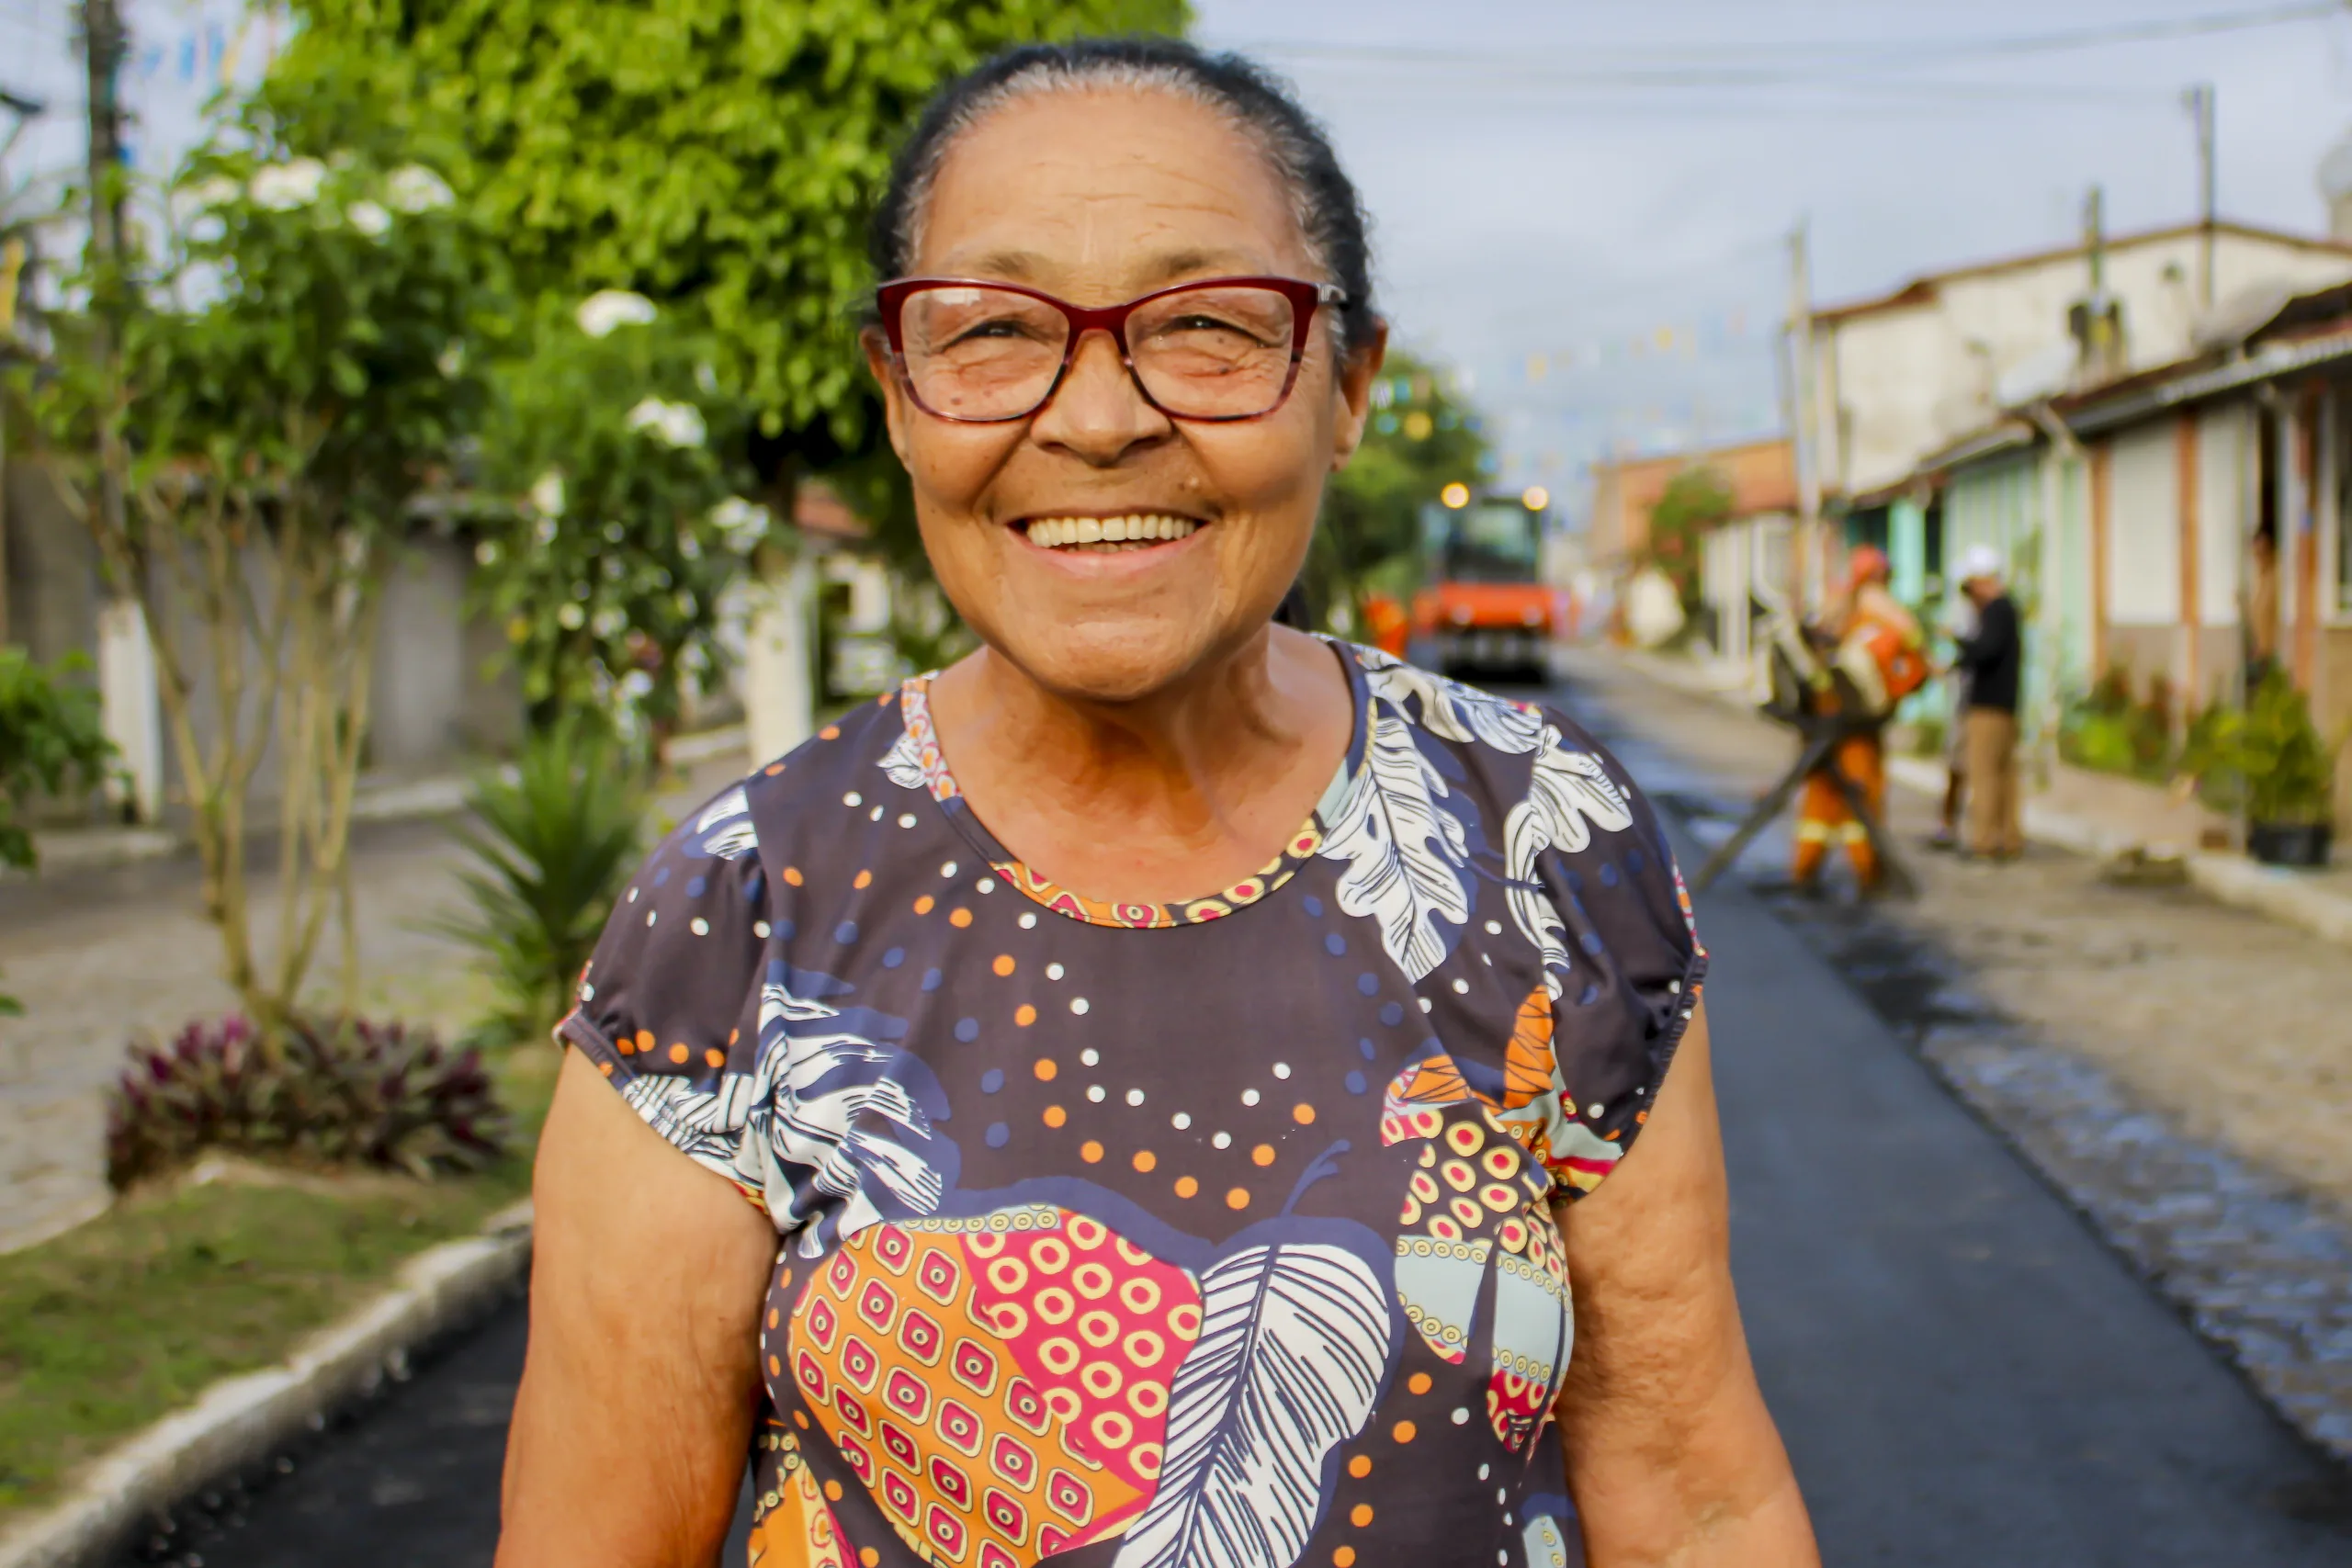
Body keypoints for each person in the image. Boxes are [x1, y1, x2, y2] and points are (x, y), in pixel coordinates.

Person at [497, 38, 1817, 1568]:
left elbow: (1697, 1499)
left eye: (1203, 326)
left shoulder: (1540, 841)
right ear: (899, 392)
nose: (1100, 416)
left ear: (1349, 389)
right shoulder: (739, 917)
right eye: (994, 328)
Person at [1792, 545, 1921, 894]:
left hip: (1824, 721)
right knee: (1861, 797)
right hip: (1856, 729)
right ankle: (1867, 874)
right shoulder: (1884, 619)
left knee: (1820, 800)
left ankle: (1806, 871)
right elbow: (1912, 665)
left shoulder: (1835, 610)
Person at [1951, 546, 2023, 861]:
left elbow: (1985, 652)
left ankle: (1985, 840)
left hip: (1988, 707)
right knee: (2004, 776)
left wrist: (1959, 644)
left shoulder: (1995, 611)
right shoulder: (2008, 609)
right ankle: (2008, 838)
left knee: (1984, 775)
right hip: (2005, 705)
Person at [1928, 578, 1979, 852]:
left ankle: (1972, 829)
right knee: (1956, 767)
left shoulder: (1984, 615)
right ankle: (1948, 824)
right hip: (1962, 702)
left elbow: (1975, 651)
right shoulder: (1964, 612)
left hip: (1976, 704)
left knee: (1972, 768)